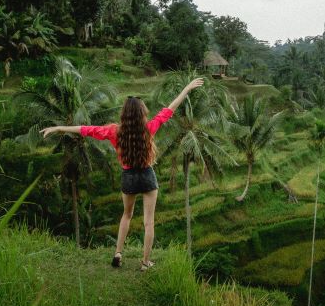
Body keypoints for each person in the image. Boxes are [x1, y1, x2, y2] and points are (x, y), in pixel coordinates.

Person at [40, 78, 204, 271]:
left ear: (124, 114)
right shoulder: (148, 129)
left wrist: (60, 128)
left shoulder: (114, 131)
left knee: (126, 215)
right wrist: (186, 88)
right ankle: (145, 262)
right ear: (142, 113)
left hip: (129, 177)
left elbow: (86, 130)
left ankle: (118, 252)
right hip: (147, 175)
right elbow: (169, 109)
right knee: (148, 222)